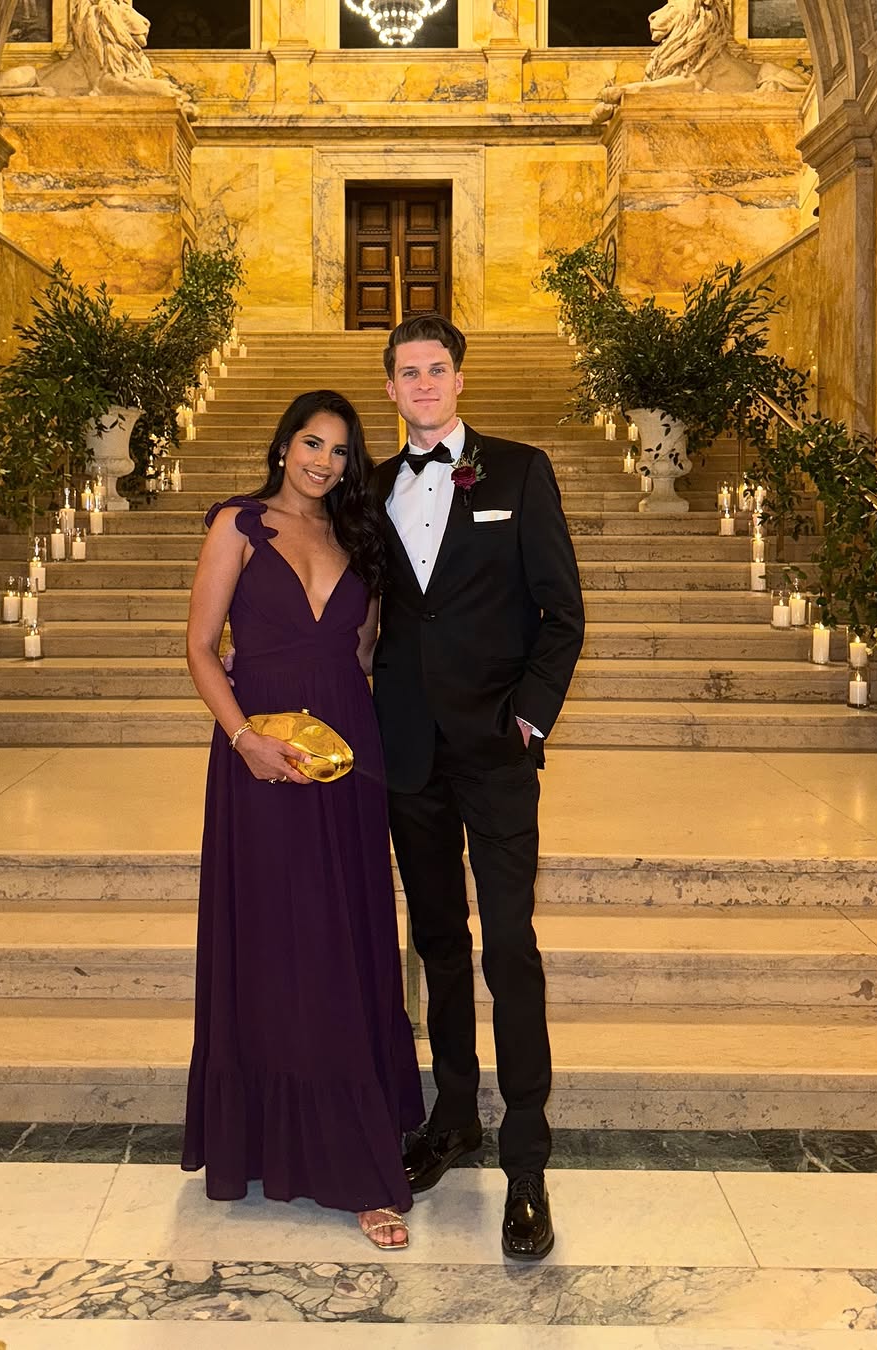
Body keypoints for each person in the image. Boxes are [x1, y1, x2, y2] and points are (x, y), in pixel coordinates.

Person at [181, 390, 424, 1250]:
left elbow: (360, 654)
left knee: (343, 941)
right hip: (260, 762)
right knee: (280, 942)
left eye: (340, 451)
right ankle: (288, 1145)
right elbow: (200, 647)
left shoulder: (358, 536)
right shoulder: (238, 525)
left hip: (348, 761)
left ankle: (353, 1144)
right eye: (312, 443)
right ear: (284, 445)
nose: (324, 462)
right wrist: (244, 738)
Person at [373, 315, 585, 1261]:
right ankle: (453, 1116)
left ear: (459, 380)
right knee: (438, 943)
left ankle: (526, 1162)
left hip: (496, 750)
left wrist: (529, 719)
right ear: (390, 388)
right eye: (408, 372)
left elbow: (562, 613)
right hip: (406, 753)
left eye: (437, 369)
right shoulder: (371, 486)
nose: (424, 383)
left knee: (509, 948)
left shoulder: (521, 472)